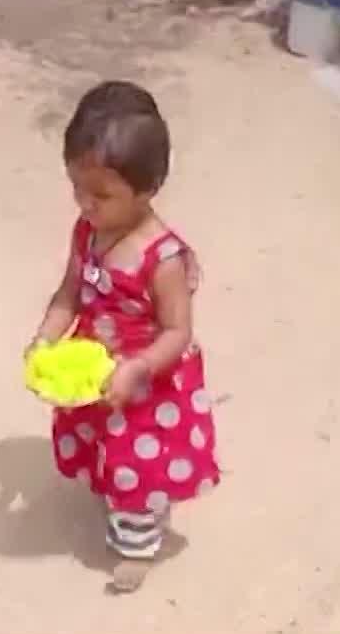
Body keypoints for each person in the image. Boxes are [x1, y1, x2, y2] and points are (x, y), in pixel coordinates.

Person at [27, 81, 220, 587]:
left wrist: (137, 367)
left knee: (139, 460)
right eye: (76, 188)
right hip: (95, 365)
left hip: (146, 381)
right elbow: (68, 293)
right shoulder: (87, 232)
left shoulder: (163, 257)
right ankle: (115, 494)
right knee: (101, 444)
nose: (85, 204)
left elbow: (178, 331)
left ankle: (139, 543)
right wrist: (45, 340)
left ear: (148, 188)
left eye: (101, 195)